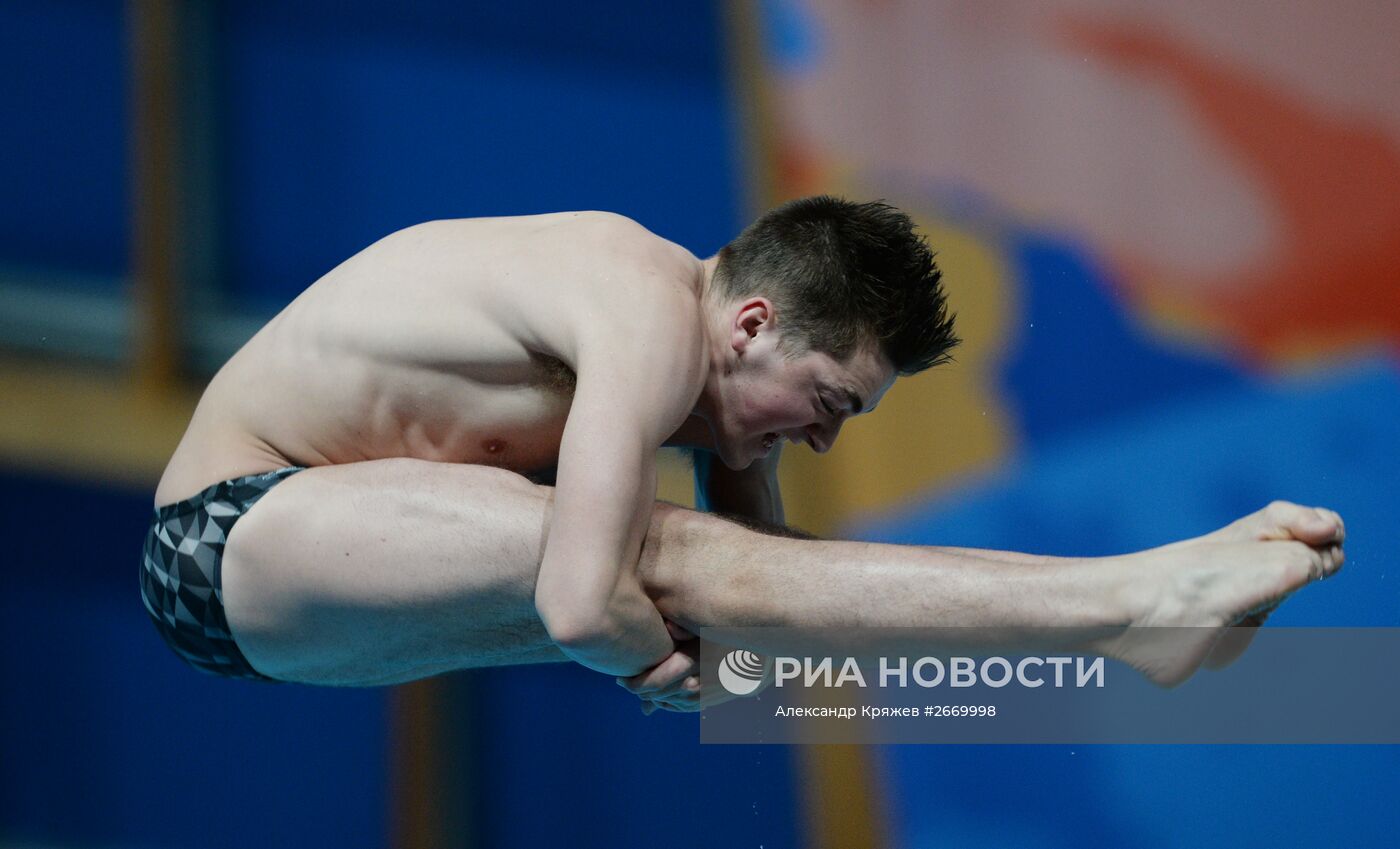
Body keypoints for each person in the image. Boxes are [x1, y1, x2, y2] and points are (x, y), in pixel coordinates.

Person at [141, 196, 1345, 712]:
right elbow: (581, 603)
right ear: (752, 324)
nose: (819, 435)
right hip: (227, 536)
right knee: (644, 557)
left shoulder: (712, 355)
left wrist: (716, 661)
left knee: (704, 582)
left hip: (306, 590)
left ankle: (1122, 636)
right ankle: (1135, 598)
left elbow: (769, 594)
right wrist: (657, 661)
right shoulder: (639, 312)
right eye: (825, 400)